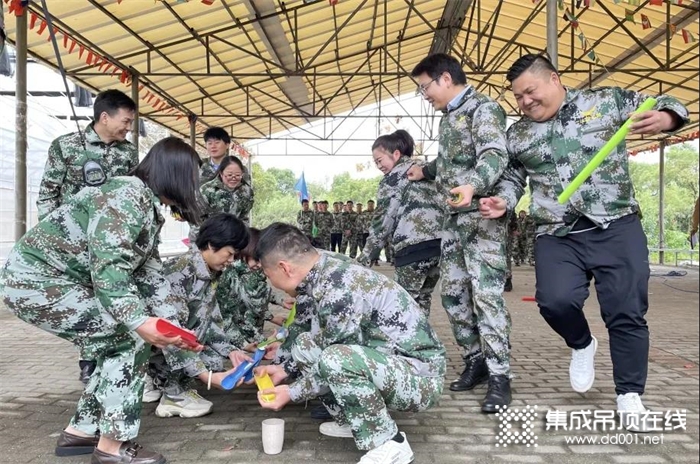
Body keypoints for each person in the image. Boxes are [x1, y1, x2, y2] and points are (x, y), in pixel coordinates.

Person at [478, 53, 689, 425]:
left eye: (531, 91)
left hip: (616, 224)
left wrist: (668, 118)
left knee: (626, 312)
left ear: (555, 80)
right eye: (518, 97)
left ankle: (628, 394)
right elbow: (512, 179)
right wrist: (503, 201)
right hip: (557, 231)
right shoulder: (519, 134)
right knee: (554, 301)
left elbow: (666, 102)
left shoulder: (604, 103)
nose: (525, 102)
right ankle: (581, 343)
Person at [1, 137, 206, 464]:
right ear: (176, 174)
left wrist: (178, 335)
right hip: (37, 281)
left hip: (55, 282)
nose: (192, 188)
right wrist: (139, 322)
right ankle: (113, 447)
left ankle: (80, 432)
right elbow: (108, 267)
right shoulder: (126, 196)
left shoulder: (145, 208)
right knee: (128, 339)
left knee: (118, 342)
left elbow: (152, 278)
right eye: (192, 179)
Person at [253, 223, 446, 464]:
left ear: (284, 267)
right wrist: (285, 369)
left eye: (268, 274)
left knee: (336, 360)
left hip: (421, 377)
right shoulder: (321, 267)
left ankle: (390, 443)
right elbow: (321, 340)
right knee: (304, 345)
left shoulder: (338, 287)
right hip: (387, 360)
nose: (270, 281)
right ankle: (354, 422)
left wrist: (291, 392)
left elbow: (335, 361)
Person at [408, 53, 512, 412]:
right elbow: (454, 160)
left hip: (482, 219)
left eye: (426, 87)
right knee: (453, 295)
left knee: (486, 297)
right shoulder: (449, 118)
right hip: (452, 221)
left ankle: (500, 376)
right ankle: (475, 360)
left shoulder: (484, 109)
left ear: (446, 79)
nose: (425, 95)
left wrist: (473, 185)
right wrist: (427, 170)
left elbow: (495, 156)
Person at [36, 88, 139, 383]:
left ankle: (113, 354)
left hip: (113, 241)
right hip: (76, 242)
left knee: (112, 294)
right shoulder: (67, 146)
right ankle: (88, 359)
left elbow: (132, 193)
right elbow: (48, 194)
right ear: (104, 117)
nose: (128, 127)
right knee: (86, 297)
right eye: (126, 121)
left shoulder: (128, 152)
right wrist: (54, 236)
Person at [146, 213, 250, 419]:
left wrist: (231, 352)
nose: (231, 261)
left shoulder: (207, 272)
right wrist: (206, 378)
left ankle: (160, 379)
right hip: (152, 342)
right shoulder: (179, 272)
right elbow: (169, 332)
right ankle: (170, 393)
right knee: (205, 365)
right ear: (211, 245)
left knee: (214, 362)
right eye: (229, 254)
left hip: (170, 342)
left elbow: (210, 316)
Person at [357, 130, 442, 315]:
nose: (378, 166)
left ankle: (405, 343)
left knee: (402, 304)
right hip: (439, 248)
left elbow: (383, 221)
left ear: (396, 154)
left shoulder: (394, 177)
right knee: (423, 300)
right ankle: (422, 342)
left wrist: (365, 257)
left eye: (380, 160)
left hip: (412, 248)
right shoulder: (426, 168)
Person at [191, 156, 254, 242]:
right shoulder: (207, 190)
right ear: (221, 173)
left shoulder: (246, 192)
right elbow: (195, 219)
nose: (233, 178)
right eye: (229, 175)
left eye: (238, 175)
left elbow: (244, 217)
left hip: (234, 239)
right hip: (208, 238)